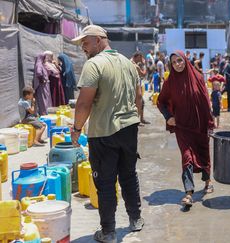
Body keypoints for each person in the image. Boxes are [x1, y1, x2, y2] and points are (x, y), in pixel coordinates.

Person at [71, 25, 144, 242]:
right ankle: (136, 219)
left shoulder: (94, 65)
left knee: (105, 182)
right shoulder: (129, 64)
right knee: (129, 175)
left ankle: (109, 232)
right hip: (129, 128)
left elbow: (84, 103)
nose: (83, 47)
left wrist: (76, 129)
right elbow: (139, 98)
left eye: (85, 42)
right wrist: (135, 120)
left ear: (99, 39)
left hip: (104, 132)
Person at [157, 51, 215, 207]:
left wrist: (210, 123)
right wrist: (168, 116)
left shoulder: (197, 77)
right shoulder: (170, 82)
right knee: (187, 157)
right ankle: (189, 193)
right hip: (182, 126)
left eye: (180, 61)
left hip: (200, 124)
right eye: (174, 62)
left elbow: (205, 101)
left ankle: (208, 181)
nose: (178, 64)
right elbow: (161, 101)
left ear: (185, 60)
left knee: (203, 154)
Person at [131, 51, 151, 125]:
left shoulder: (131, 62)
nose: (142, 58)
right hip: (134, 88)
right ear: (138, 56)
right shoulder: (134, 65)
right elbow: (143, 74)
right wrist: (145, 64)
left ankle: (140, 119)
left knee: (140, 103)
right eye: (141, 57)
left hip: (133, 87)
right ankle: (137, 120)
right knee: (139, 103)